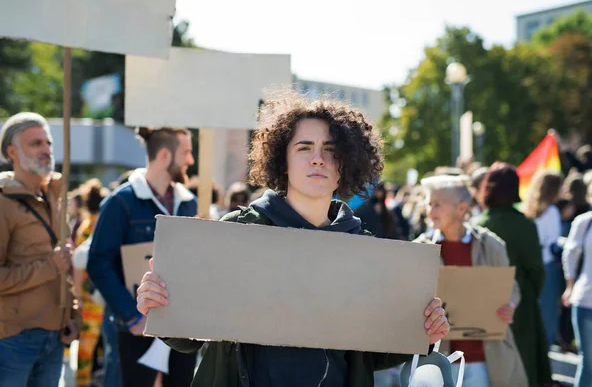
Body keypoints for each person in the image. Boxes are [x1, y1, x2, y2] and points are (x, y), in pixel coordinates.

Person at [136, 92, 450, 387]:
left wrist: (422, 329)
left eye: (330, 149)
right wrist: (161, 303)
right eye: (304, 147)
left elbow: (371, 352)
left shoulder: (363, 247)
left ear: (347, 164)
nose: (318, 159)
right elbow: (189, 336)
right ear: (281, 160)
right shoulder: (237, 232)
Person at [87, 127, 198, 387]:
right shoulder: (120, 202)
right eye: (187, 153)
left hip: (180, 326)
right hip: (135, 328)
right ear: (164, 155)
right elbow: (99, 262)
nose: (191, 161)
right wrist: (132, 315)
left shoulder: (189, 202)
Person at [415, 174, 527, 386]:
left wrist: (510, 305)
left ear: (461, 208)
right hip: (437, 360)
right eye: (429, 204)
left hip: (484, 359)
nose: (431, 211)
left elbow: (512, 289)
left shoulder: (491, 245)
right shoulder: (419, 250)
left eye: (438, 205)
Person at [0, 112, 80, 386]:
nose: (46, 150)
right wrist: (50, 268)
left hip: (55, 334)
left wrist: (71, 312)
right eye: (36, 143)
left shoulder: (55, 194)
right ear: (12, 151)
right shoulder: (3, 202)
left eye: (48, 143)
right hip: (13, 338)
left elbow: (63, 263)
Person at [473, 162, 553, 387]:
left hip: (484, 307)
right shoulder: (526, 225)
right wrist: (526, 297)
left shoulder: (477, 225)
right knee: (523, 367)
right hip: (522, 307)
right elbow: (537, 271)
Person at [562, 177, 592, 387]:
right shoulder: (584, 222)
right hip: (586, 300)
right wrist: (570, 286)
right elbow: (570, 254)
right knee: (589, 362)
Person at [521, 169, 564, 348]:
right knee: (548, 315)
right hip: (548, 266)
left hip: (529, 266)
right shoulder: (552, 211)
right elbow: (553, 242)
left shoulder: (527, 209)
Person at [72, 179, 109, 387]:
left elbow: (78, 264)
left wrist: (77, 294)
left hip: (89, 298)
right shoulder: (106, 223)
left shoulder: (86, 227)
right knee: (104, 348)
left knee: (86, 347)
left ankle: (82, 383)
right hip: (106, 294)